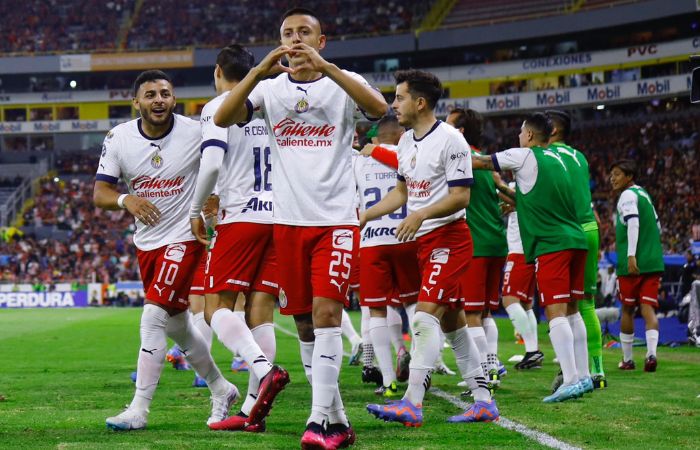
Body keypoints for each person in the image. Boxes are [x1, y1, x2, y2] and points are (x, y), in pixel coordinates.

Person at [211, 8, 387, 448]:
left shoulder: (340, 80)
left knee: (328, 316)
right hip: (287, 223)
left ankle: (316, 422)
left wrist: (326, 68)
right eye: (287, 34)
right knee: (306, 325)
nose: (295, 40)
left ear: (321, 41)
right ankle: (339, 423)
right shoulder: (270, 90)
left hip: (335, 221)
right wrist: (257, 71)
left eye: (304, 33)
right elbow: (222, 117)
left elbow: (379, 110)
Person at [94, 70, 239, 430]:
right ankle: (222, 388)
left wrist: (213, 202)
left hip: (185, 237)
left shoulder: (194, 131)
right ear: (136, 102)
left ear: (173, 99)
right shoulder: (119, 138)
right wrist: (127, 198)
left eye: (165, 93)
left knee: (153, 316)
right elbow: (101, 193)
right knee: (178, 327)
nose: (159, 99)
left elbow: (223, 165)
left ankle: (138, 409)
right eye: (150, 94)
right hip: (148, 243)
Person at [364, 69, 498, 426]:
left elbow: (461, 196)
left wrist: (421, 214)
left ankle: (412, 401)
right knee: (453, 325)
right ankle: (483, 400)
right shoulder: (407, 141)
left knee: (423, 318)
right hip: (426, 244)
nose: (394, 103)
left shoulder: (452, 140)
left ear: (420, 102)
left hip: (450, 239)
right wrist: (364, 216)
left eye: (400, 97)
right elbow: (401, 194)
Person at [189, 44, 290, 431]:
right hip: (280, 216)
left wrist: (196, 210)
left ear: (218, 72)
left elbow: (213, 163)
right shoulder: (271, 106)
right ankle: (251, 411)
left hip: (241, 217)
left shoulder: (220, 107)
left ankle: (264, 372)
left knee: (216, 309)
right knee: (261, 312)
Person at [472, 113, 590, 403]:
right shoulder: (558, 159)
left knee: (555, 311)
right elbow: (534, 197)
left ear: (528, 135)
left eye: (520, 132)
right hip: (576, 240)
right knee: (573, 310)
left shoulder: (523, 155)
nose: (518, 137)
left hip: (552, 245)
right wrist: (510, 198)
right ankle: (585, 376)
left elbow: (481, 162)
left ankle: (571, 379)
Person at [354, 116, 419, 397]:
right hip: (407, 235)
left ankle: (389, 381)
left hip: (372, 240)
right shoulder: (409, 153)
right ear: (401, 134)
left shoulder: (358, 160)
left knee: (376, 311)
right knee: (415, 304)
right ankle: (420, 373)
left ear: (377, 137)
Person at [446, 108, 509, 387]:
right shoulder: (486, 162)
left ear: (459, 132)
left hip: (476, 243)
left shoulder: (460, 160)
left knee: (471, 312)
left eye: (447, 124)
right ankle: (492, 364)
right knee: (485, 312)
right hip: (496, 241)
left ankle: (483, 375)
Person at [547, 110, 605, 389]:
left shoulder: (549, 156)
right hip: (589, 227)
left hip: (567, 230)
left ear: (553, 130)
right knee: (585, 304)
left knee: (562, 305)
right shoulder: (579, 156)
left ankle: (571, 372)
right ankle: (596, 371)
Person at [610, 159, 664, 372]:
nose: (612, 178)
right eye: (611, 174)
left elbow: (633, 222)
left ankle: (628, 359)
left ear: (629, 176)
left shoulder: (627, 195)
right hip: (653, 260)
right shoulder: (645, 195)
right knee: (648, 307)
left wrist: (632, 255)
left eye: (617, 174)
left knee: (627, 309)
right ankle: (651, 354)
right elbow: (657, 226)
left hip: (632, 264)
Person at [500, 182, 543, 369]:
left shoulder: (524, 184)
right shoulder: (526, 183)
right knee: (526, 304)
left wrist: (495, 187)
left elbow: (518, 199)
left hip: (519, 250)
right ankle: (533, 351)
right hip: (530, 249)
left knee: (509, 300)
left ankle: (533, 350)